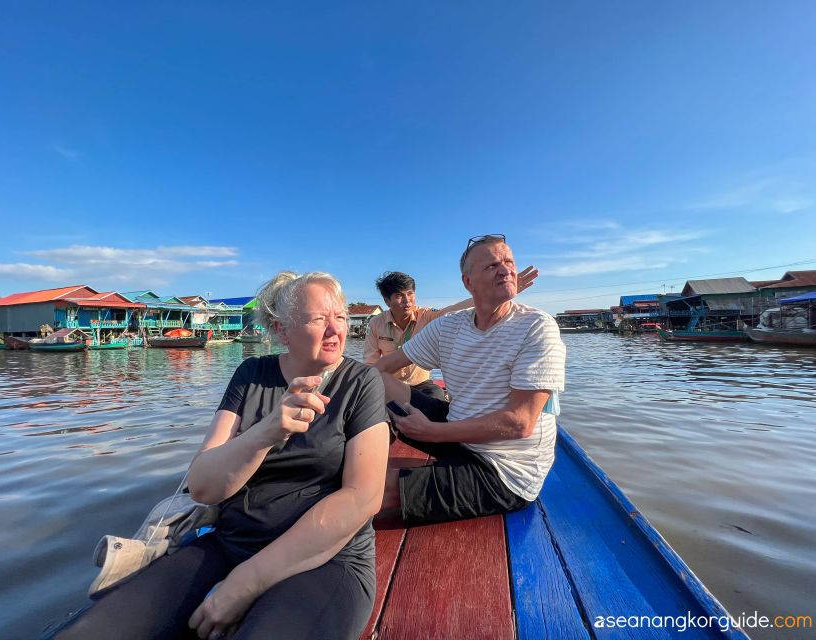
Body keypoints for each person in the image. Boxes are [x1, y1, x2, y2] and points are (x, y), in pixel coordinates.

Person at [49, 272, 389, 640]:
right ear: (282, 330)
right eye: (318, 319)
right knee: (90, 632)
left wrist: (245, 583)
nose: (334, 329)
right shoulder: (251, 375)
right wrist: (269, 429)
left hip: (326, 561)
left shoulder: (360, 382)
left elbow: (362, 498)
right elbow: (202, 487)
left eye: (339, 316)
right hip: (230, 545)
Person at [374, 235, 565, 526]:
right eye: (491, 265)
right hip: (460, 434)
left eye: (508, 262)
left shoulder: (537, 327)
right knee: (378, 381)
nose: (505, 270)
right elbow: (382, 367)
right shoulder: (449, 326)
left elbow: (520, 422)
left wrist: (432, 431)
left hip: (504, 469)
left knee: (369, 492)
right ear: (468, 282)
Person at [363, 265, 539, 399]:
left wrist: (494, 294)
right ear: (387, 301)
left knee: (436, 397)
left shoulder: (427, 316)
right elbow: (370, 364)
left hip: (421, 385)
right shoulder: (376, 323)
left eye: (410, 294)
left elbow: (455, 310)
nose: (407, 300)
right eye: (399, 296)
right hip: (389, 384)